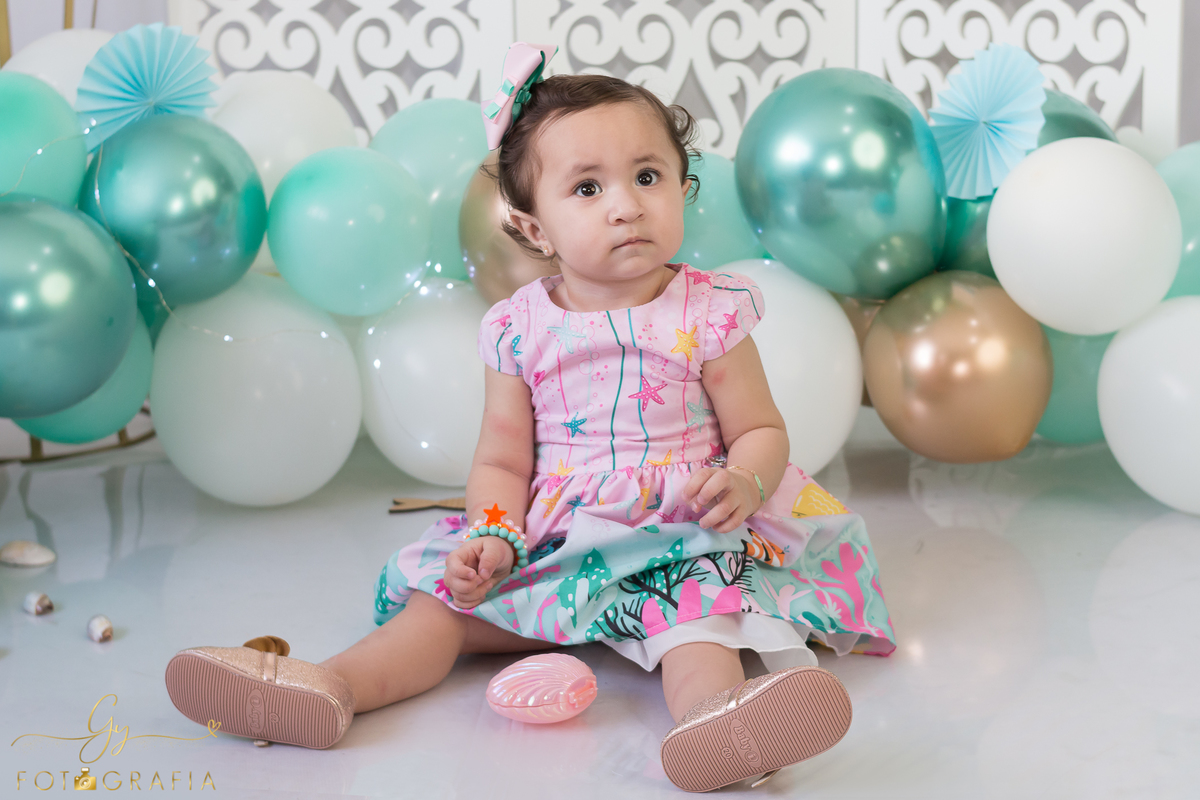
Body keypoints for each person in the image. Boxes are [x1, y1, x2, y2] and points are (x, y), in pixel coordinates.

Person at [164, 43, 896, 793]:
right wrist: (492, 533)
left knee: (696, 621)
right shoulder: (520, 329)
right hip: (557, 533)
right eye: (587, 188)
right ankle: (326, 687)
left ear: (682, 188)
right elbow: (505, 458)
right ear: (534, 228)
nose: (625, 204)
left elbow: (760, 429)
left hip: (681, 527)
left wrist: (745, 477)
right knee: (439, 610)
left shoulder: (709, 312)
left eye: (648, 177)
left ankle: (720, 723)